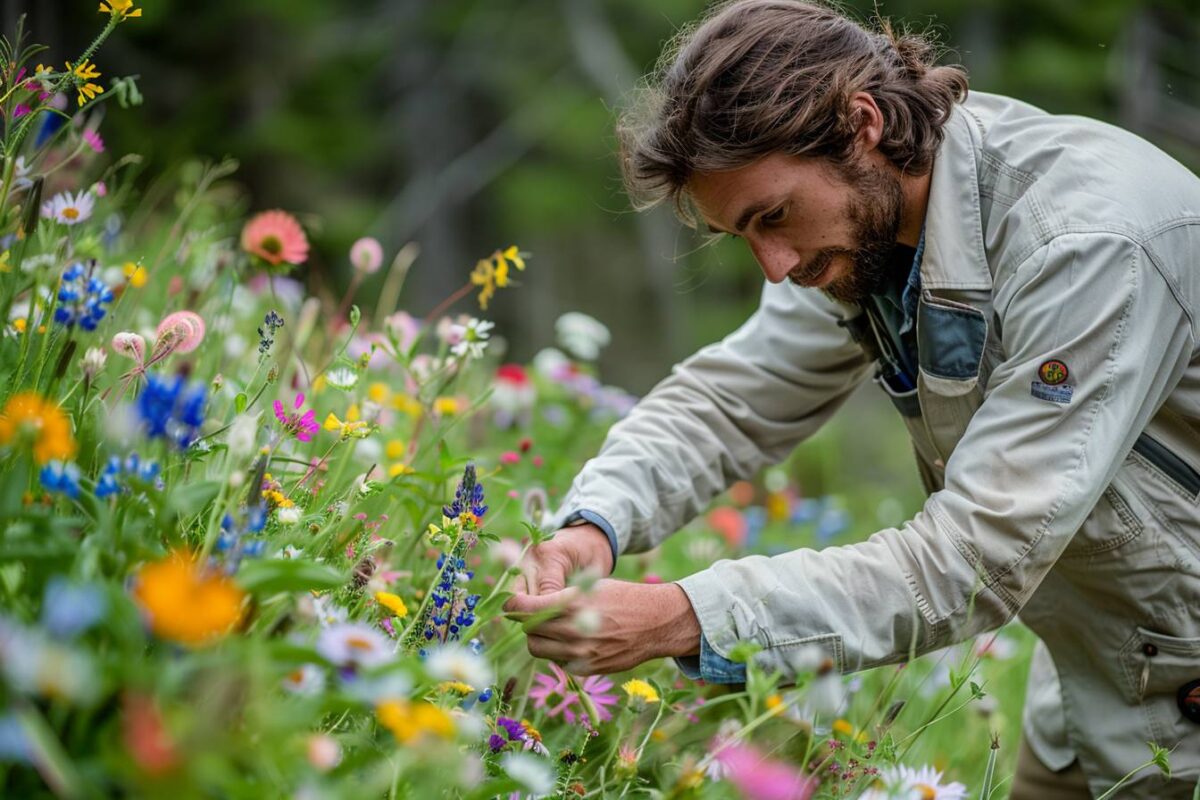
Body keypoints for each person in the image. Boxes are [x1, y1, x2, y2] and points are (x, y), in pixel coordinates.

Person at [502, 1, 1200, 797]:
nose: (773, 264)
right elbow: (734, 399)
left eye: (774, 217)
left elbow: (973, 561)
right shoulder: (870, 227)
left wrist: (686, 616)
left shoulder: (1082, 246)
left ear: (861, 122)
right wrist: (596, 522)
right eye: (744, 236)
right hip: (1098, 671)